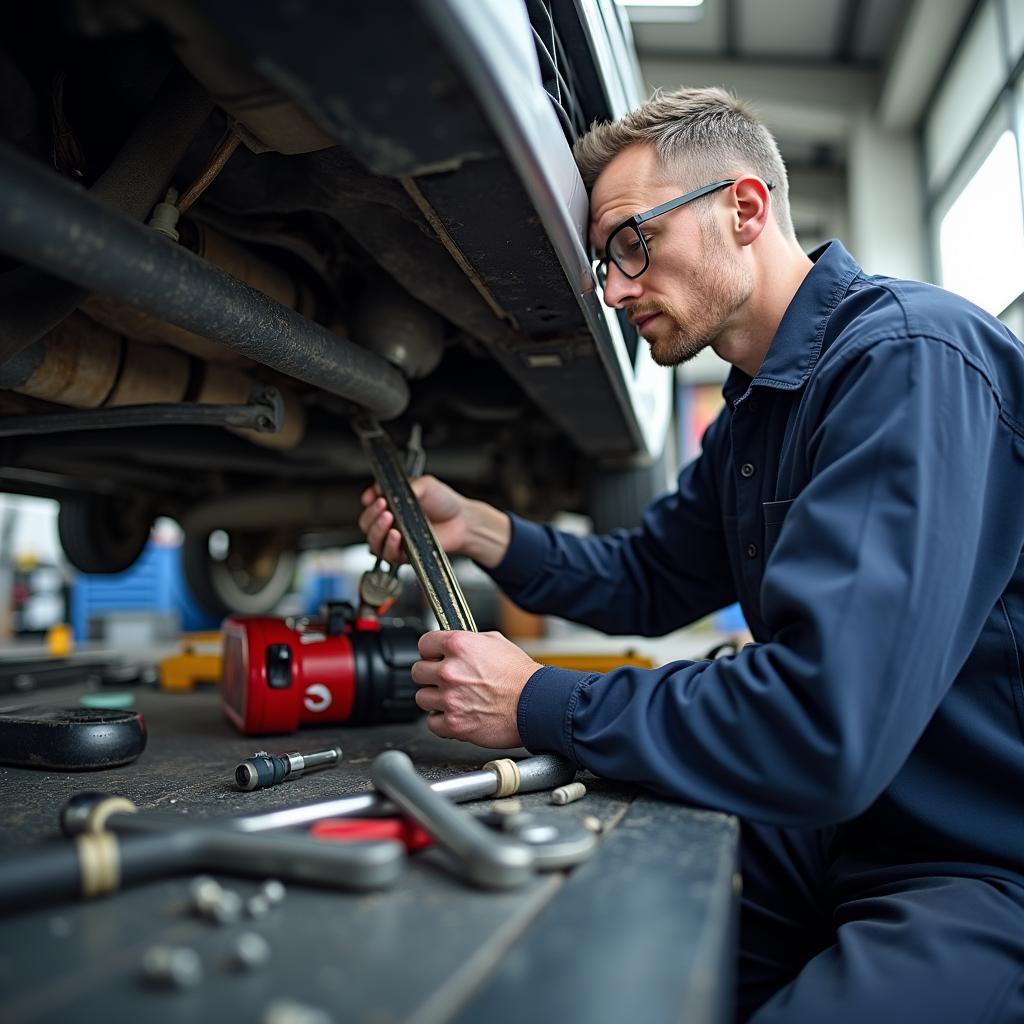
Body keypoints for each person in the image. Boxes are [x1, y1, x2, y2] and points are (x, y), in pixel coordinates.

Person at [359, 87, 1024, 1022]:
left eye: (634, 241)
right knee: (589, 946)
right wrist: (481, 529)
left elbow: (824, 723)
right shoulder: (755, 415)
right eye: (605, 263)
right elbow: (649, 578)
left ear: (744, 210)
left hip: (979, 860)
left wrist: (538, 701)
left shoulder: (910, 362)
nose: (618, 287)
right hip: (841, 829)